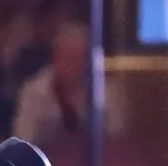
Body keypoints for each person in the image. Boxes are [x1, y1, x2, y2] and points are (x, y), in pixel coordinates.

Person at [10, 20, 126, 151]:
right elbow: (22, 141)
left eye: (80, 57)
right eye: (68, 55)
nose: (74, 64)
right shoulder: (33, 91)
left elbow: (118, 139)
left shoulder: (106, 91)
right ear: (55, 57)